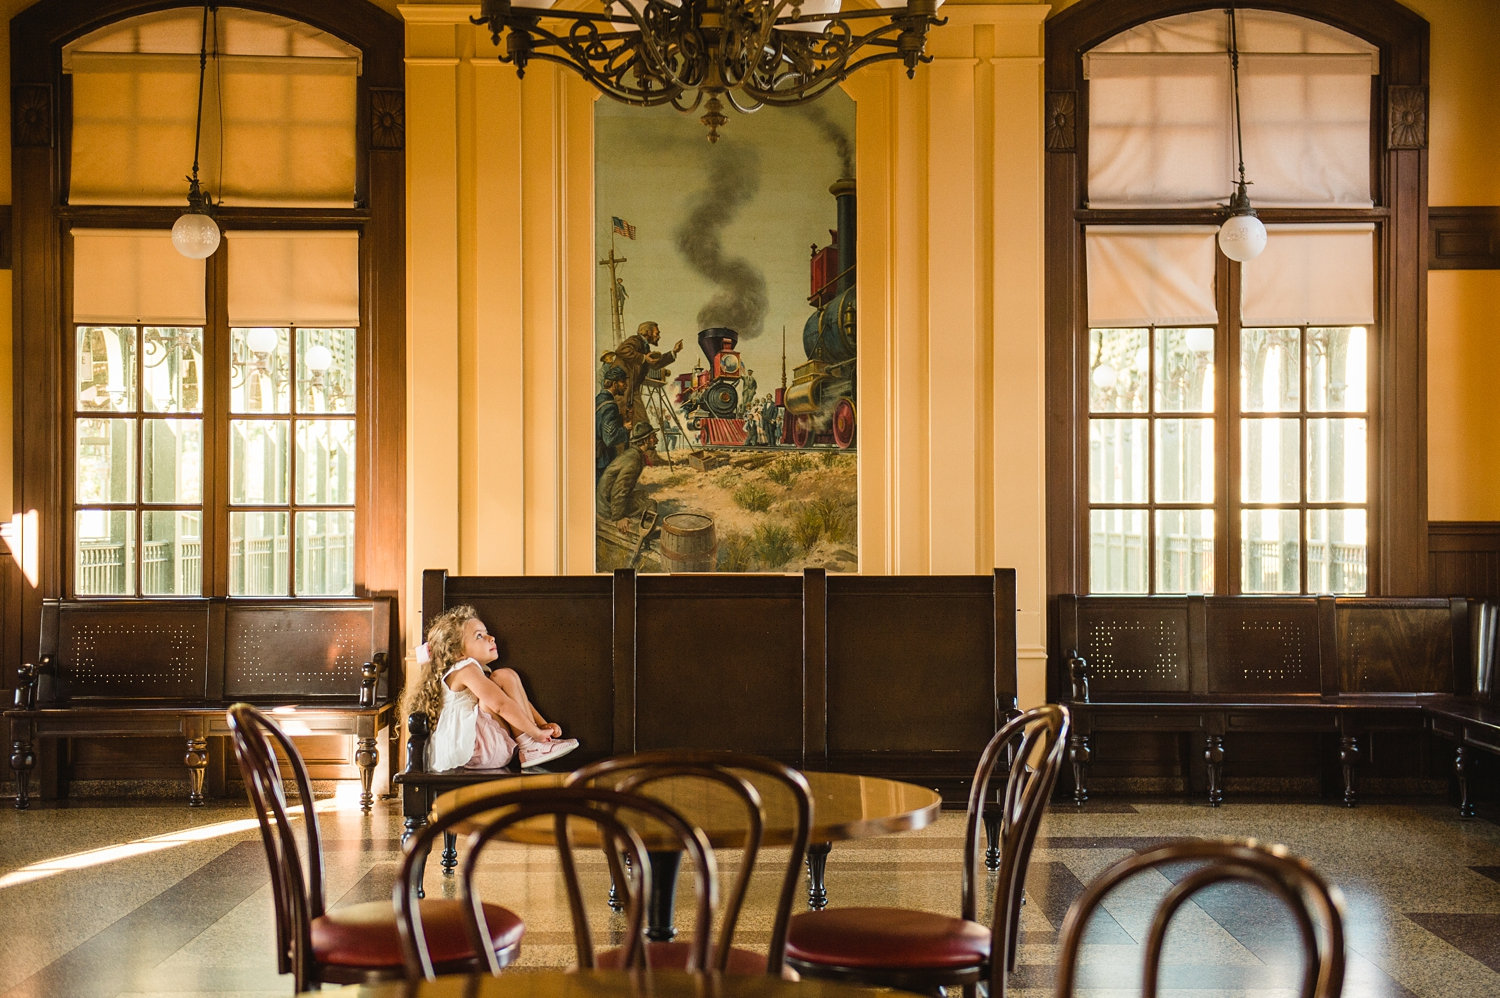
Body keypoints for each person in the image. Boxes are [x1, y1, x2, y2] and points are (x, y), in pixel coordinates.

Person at [405, 604, 579, 771]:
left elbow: (518, 701)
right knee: (504, 676)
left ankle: (533, 745)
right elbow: (500, 705)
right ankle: (530, 747)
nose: (491, 638)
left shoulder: (477, 672)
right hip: (478, 750)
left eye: (487, 633)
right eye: (479, 636)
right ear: (459, 653)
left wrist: (542, 725)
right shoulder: (465, 669)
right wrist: (535, 732)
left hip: (486, 750)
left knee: (504, 677)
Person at [615, 321, 683, 426]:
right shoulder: (636, 340)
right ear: (647, 333)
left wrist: (674, 352)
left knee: (642, 423)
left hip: (633, 388)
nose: (659, 337)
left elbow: (655, 364)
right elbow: (621, 350)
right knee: (620, 420)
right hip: (622, 387)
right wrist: (643, 358)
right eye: (657, 333)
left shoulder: (645, 347)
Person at [598, 421, 656, 525]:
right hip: (607, 507)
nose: (656, 440)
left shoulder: (632, 453)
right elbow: (620, 490)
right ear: (646, 440)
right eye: (653, 437)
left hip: (603, 500)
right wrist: (618, 518)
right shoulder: (634, 460)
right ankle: (644, 532)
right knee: (651, 504)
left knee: (643, 494)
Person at [596, 363, 629, 482]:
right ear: (614, 384)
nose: (626, 386)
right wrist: (625, 428)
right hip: (602, 460)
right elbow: (610, 438)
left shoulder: (599, 399)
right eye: (623, 382)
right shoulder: (610, 405)